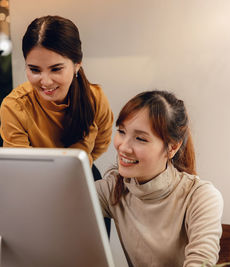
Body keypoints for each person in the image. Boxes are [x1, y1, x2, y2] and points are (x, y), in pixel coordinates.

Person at [0, 16, 113, 231]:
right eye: (34, 70)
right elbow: (21, 168)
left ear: (77, 64)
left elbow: (101, 144)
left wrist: (75, 165)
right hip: (35, 191)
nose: (46, 81)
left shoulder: (95, 98)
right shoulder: (14, 106)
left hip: (85, 184)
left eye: (56, 69)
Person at [96, 90, 223, 267]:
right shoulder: (113, 189)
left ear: (172, 147)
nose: (123, 147)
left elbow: (201, 261)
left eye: (140, 138)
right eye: (121, 131)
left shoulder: (201, 196)